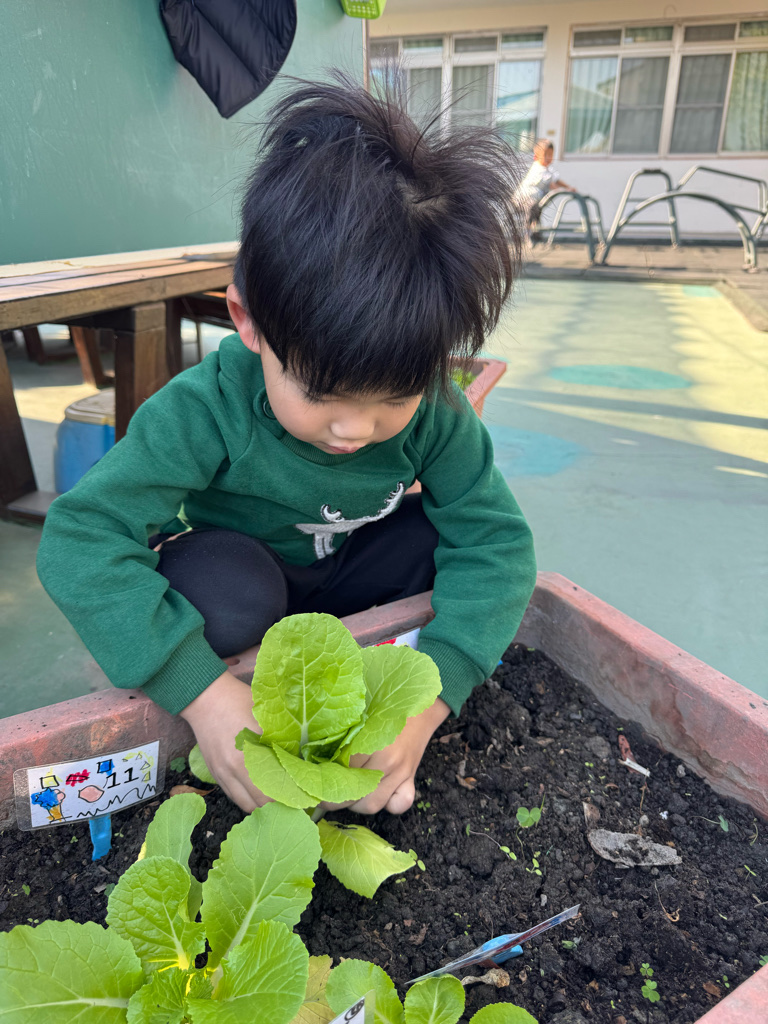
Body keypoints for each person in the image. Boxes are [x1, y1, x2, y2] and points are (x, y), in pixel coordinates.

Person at [37, 75, 537, 817]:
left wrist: (427, 704)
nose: (354, 430)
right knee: (224, 590)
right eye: (323, 394)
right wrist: (204, 696)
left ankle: (374, 654)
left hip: (353, 568)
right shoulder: (206, 409)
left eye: (394, 398)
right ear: (248, 321)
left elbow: (498, 543)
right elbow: (80, 539)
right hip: (254, 579)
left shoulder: (438, 410)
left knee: (449, 541)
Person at [515, 138, 576, 238]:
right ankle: (528, 234)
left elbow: (557, 180)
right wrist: (564, 190)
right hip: (525, 199)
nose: (548, 158)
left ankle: (535, 233)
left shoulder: (548, 169)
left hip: (536, 200)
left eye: (550, 155)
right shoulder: (538, 168)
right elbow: (551, 184)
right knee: (530, 214)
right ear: (537, 156)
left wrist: (568, 187)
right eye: (545, 155)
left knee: (536, 213)